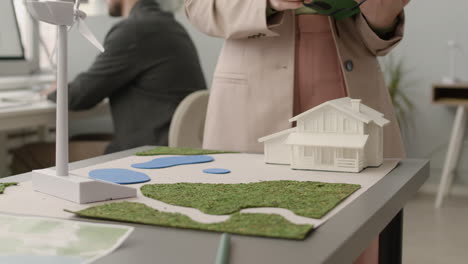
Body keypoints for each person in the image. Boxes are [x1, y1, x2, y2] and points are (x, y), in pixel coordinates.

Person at [184, 0, 408, 263]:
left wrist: (381, 13)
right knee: (252, 228)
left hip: (346, 80)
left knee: (357, 229)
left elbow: (380, 37)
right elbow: (198, 8)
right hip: (253, 89)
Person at [47, 0, 206, 153]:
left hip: (148, 155)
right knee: (77, 139)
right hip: (176, 146)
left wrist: (56, 89)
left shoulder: (135, 30)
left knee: (28, 153)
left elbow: (79, 97)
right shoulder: (172, 26)